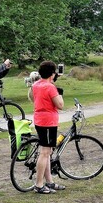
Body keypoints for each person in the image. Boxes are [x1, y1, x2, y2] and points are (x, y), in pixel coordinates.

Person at [32, 60, 65, 194]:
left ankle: (49, 182)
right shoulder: (50, 87)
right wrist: (59, 93)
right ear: (52, 73)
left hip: (39, 119)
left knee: (48, 152)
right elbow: (60, 105)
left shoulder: (36, 84)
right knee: (45, 153)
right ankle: (39, 184)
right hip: (48, 121)